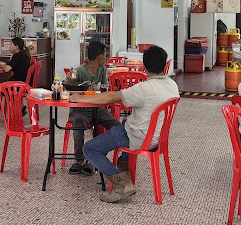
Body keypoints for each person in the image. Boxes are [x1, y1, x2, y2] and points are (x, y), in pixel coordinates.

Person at [74, 45, 179, 203]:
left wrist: (81, 98)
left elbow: (111, 97)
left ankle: (122, 183)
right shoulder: (172, 85)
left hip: (138, 137)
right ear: (165, 66)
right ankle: (124, 168)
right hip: (157, 138)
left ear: (144, 66)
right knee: (120, 124)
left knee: (89, 148)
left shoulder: (144, 88)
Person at [65, 40, 120, 176]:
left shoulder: (102, 69)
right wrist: (68, 80)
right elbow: (66, 84)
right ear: (99, 57)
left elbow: (105, 89)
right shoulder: (79, 71)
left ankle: (96, 157)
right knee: (78, 126)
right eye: (105, 56)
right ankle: (79, 161)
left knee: (118, 127)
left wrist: (99, 89)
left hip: (97, 109)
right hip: (80, 110)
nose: (106, 58)